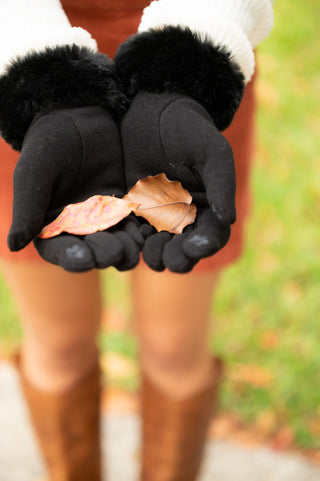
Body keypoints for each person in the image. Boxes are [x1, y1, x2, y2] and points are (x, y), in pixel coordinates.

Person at [0, 1, 274, 480]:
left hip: (199, 45)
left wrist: (186, 67)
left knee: (174, 348)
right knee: (58, 344)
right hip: (19, 56)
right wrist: (41, 80)